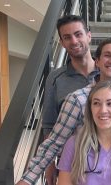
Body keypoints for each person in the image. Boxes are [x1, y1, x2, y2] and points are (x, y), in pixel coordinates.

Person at [17, 37, 111, 185]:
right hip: (86, 175)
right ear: (97, 61)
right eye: (107, 55)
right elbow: (55, 142)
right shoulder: (77, 99)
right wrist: (27, 180)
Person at [42, 15, 99, 185]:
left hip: (108, 160)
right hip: (71, 161)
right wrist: (49, 164)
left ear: (89, 35)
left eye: (78, 34)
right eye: (67, 37)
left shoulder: (107, 71)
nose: (74, 41)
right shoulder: (56, 78)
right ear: (61, 42)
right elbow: (49, 125)